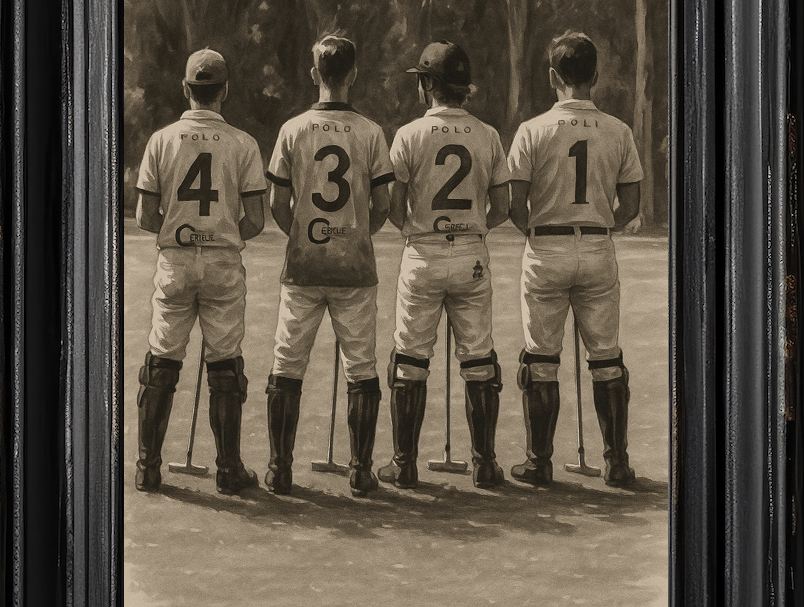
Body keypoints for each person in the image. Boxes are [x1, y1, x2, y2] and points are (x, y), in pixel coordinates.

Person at [507, 31, 643, 488]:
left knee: (541, 359)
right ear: (596, 76)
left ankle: (538, 461)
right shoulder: (619, 130)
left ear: (552, 77)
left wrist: (540, 230)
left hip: (546, 247)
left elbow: (514, 203)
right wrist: (603, 225)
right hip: (598, 246)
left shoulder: (531, 130)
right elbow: (632, 204)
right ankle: (617, 462)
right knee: (606, 358)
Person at [265, 35, 394, 497]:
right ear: (353, 74)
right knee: (362, 368)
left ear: (314, 74)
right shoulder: (372, 132)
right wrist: (355, 234)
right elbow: (382, 204)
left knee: (286, 364)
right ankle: (361, 471)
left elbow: (278, 203)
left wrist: (301, 233)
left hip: (302, 266)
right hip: (354, 267)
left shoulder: (292, 128)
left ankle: (280, 470)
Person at [134, 48, 266, 495]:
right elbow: (256, 220)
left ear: (186, 89)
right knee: (225, 365)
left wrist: (180, 231)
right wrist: (222, 234)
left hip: (174, 260)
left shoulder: (161, 139)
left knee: (162, 361)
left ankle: (147, 468)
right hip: (223, 263)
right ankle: (229, 470)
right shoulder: (243, 143)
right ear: (224, 91)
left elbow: (145, 217)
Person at [381, 40, 511, 489]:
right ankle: (485, 463)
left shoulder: (408, 135)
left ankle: (404, 463)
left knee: (411, 357)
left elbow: (394, 207)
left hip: (423, 252)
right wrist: (474, 229)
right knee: (478, 357)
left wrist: (417, 229)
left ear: (428, 85)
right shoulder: (488, 134)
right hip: (472, 252)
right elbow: (503, 207)